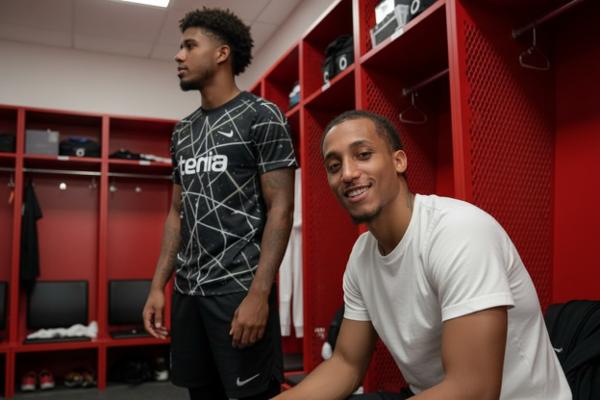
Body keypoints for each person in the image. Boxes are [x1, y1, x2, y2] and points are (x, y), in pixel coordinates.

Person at [275, 110, 571, 400]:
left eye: (363, 155)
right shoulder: (361, 256)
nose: (348, 174)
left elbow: (474, 390)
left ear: (399, 161)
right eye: (334, 166)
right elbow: (346, 365)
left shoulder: (458, 231)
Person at [142, 7, 297, 400]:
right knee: (201, 394)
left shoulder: (262, 116)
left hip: (238, 290)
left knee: (253, 395)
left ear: (222, 53)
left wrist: (259, 294)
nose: (178, 56)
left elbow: (281, 209)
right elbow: (176, 213)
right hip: (187, 293)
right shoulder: (182, 132)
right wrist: (158, 286)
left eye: (189, 46)